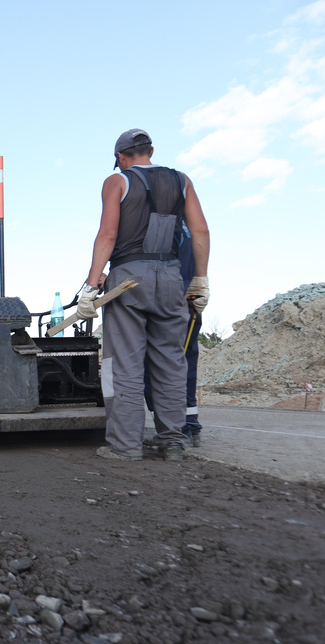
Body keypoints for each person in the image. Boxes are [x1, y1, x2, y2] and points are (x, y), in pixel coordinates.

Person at [76, 129, 210, 462]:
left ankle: (125, 446)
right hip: (170, 277)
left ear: (121, 157)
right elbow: (201, 232)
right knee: (170, 362)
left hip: (128, 280)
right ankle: (173, 442)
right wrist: (200, 280)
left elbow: (108, 234)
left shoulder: (117, 182)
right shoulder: (182, 181)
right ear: (150, 150)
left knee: (125, 365)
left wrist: (91, 287)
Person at [144, 221, 203, 446]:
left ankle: (179, 428)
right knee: (183, 364)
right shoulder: (188, 227)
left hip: (172, 303)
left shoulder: (166, 227)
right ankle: (187, 423)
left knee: (160, 366)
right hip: (188, 302)